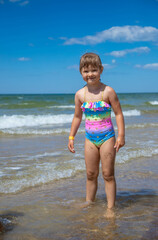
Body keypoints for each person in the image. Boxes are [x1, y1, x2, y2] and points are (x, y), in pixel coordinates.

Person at [68, 52, 125, 211]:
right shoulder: (80, 94)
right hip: (89, 139)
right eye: (86, 71)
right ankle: (89, 202)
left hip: (107, 137)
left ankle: (110, 208)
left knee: (108, 174)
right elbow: (77, 117)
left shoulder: (108, 91)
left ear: (101, 70)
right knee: (91, 174)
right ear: (81, 72)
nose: (90, 74)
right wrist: (71, 136)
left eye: (94, 70)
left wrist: (121, 136)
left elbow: (119, 114)